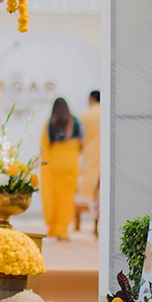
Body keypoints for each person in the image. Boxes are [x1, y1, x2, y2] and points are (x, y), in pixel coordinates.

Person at [40, 97, 83, 241]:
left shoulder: (50, 123)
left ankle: (53, 229)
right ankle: (63, 230)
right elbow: (82, 142)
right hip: (70, 164)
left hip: (55, 165)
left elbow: (46, 144)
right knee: (67, 199)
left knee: (56, 197)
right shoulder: (75, 122)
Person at [78, 91, 101, 236]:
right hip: (106, 155)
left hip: (91, 156)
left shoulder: (85, 116)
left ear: (91, 99)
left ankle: (95, 223)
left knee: (93, 191)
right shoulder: (108, 112)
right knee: (102, 191)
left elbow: (80, 139)